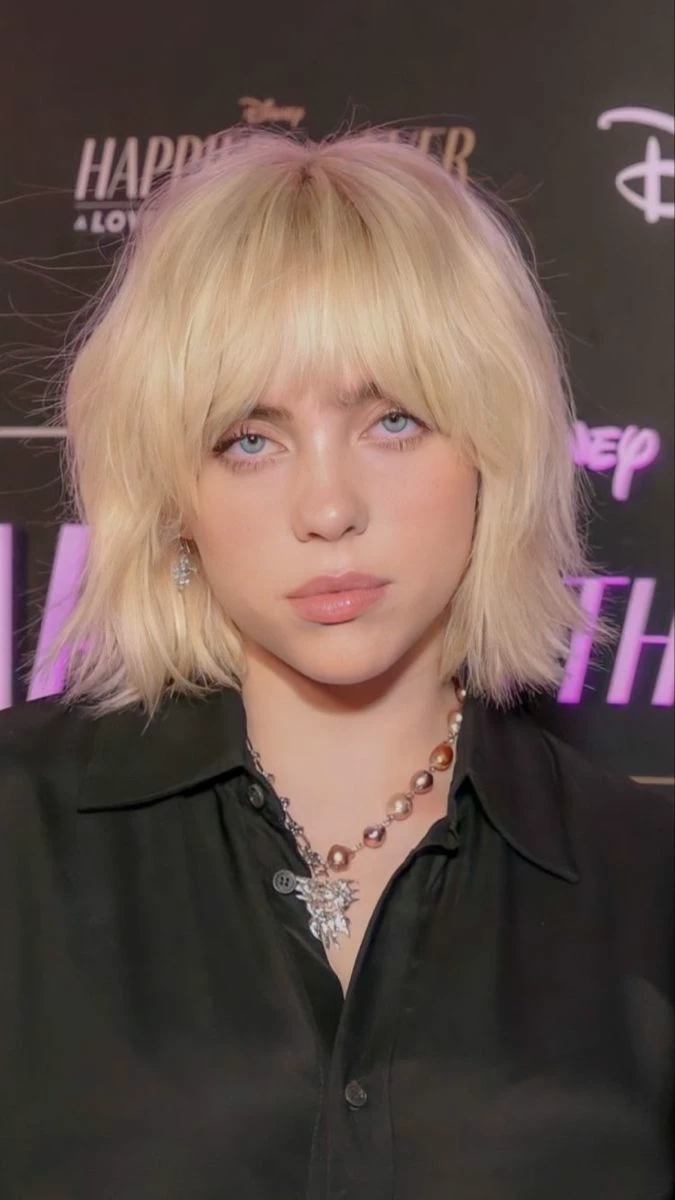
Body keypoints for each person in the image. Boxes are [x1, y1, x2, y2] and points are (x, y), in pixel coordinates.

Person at [0, 125, 672, 1200]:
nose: (327, 507)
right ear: (173, 496)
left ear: (493, 451)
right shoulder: (19, 832)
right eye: (249, 439)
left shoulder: (643, 878)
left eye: (393, 421)